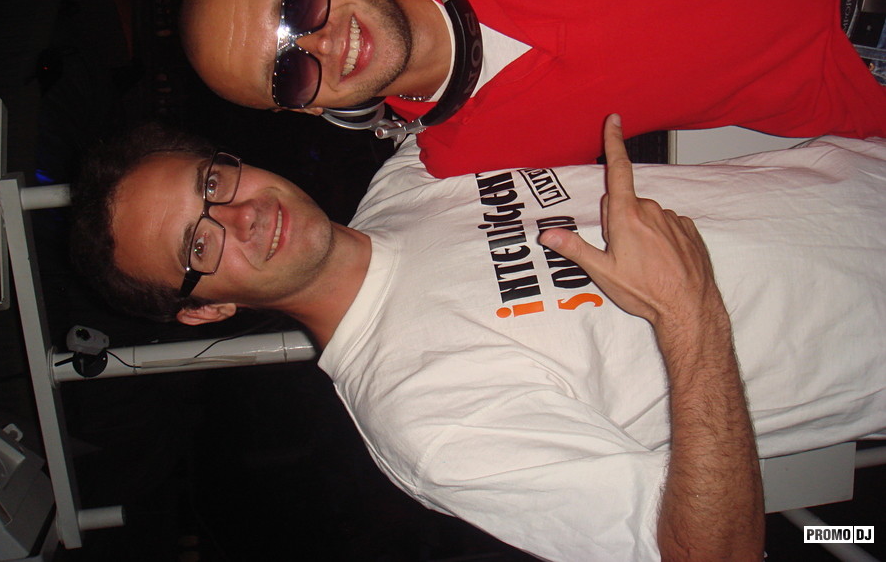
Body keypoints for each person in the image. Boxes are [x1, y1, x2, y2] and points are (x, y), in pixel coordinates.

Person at [70, 116, 886, 560]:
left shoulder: (417, 172)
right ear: (204, 312)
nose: (242, 216)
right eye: (199, 245)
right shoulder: (425, 418)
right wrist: (689, 315)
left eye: (212, 182)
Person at [179, 0, 886, 178]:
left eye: (297, 5)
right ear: (304, 109)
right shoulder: (465, 165)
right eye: (289, 71)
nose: (324, 45)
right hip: (867, 77)